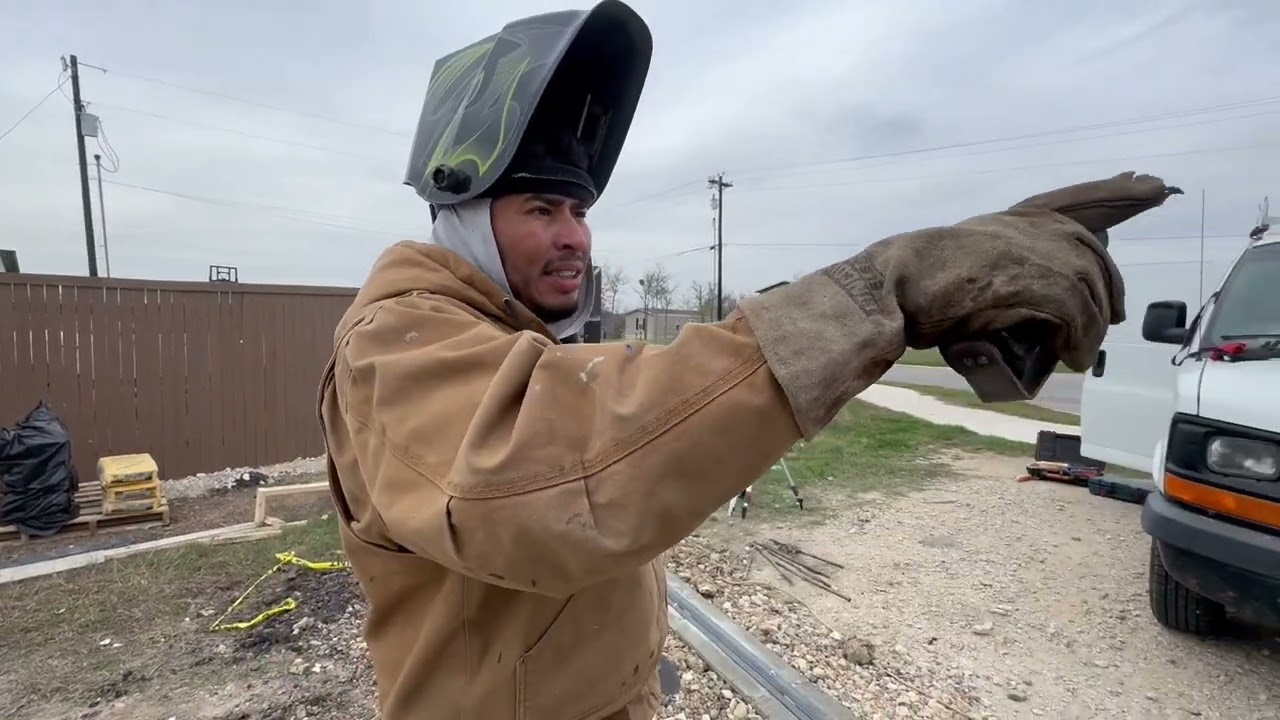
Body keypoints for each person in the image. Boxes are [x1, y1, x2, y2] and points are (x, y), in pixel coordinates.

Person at [316, 2, 1182, 718]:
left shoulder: (513, 338)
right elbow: (555, 476)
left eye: (578, 211)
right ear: (464, 216)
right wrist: (880, 292)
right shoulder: (398, 342)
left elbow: (655, 399)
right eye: (542, 208)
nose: (574, 237)